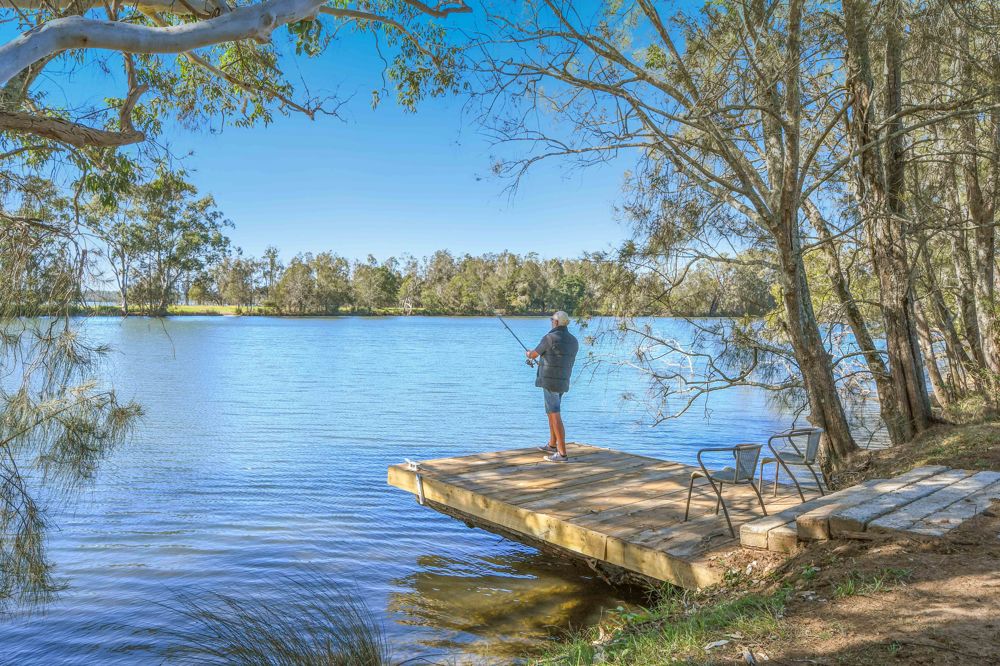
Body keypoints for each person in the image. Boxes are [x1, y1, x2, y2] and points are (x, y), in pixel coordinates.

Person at [525, 311, 579, 462]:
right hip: (563, 382)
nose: (550, 322)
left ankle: (562, 454)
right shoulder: (574, 341)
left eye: (551, 319)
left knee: (555, 414)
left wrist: (528, 354)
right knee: (551, 412)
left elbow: (534, 354)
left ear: (556, 322)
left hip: (550, 382)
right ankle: (552, 445)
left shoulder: (549, 337)